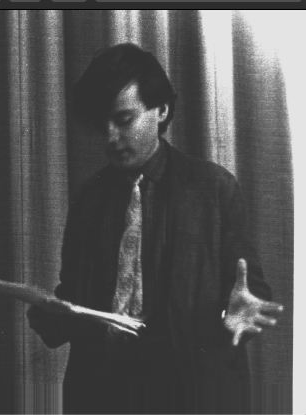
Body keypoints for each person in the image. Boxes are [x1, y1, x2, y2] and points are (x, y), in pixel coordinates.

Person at [27, 43, 283, 414]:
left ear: (161, 110)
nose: (110, 137)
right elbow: (74, 298)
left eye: (124, 119)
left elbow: (249, 289)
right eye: (102, 124)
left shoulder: (213, 189)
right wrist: (49, 315)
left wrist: (231, 316)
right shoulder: (88, 200)